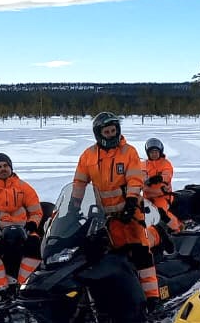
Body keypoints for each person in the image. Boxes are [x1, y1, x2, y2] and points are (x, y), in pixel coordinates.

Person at [71, 112, 158, 305]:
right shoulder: (88, 155)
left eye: (113, 130)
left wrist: (131, 201)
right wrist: (74, 205)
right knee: (108, 255)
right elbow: (79, 181)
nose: (111, 134)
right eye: (107, 131)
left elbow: (135, 179)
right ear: (99, 133)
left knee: (140, 252)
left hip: (129, 212)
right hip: (104, 217)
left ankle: (151, 297)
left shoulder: (129, 152)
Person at [0, 153, 44, 298]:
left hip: (24, 228)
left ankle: (25, 287)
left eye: (5, 166)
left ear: (11, 167)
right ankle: (0, 290)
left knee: (36, 246)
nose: (3, 169)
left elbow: (36, 212)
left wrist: (33, 224)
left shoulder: (24, 187)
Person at [141, 138, 182, 244]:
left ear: (160, 152)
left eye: (156, 152)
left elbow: (167, 175)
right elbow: (139, 175)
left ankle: (177, 229)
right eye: (151, 152)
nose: (154, 154)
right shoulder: (144, 164)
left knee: (161, 213)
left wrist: (159, 178)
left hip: (162, 196)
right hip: (146, 197)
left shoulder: (165, 163)